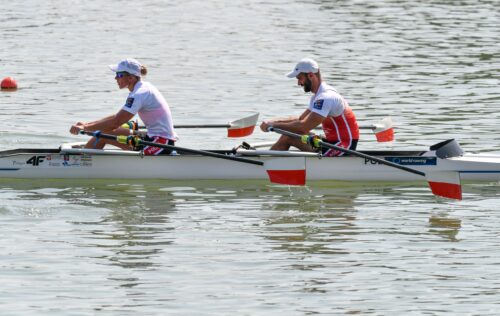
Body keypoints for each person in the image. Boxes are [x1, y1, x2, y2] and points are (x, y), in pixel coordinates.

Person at [70, 58, 177, 155]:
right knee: (104, 131)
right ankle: (85, 160)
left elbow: (115, 123)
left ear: (130, 78)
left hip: (161, 143)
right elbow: (117, 117)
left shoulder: (139, 93)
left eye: (119, 75)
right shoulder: (142, 88)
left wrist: (86, 128)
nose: (116, 78)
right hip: (152, 137)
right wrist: (87, 124)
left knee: (103, 132)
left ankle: (82, 162)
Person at [260, 58, 359, 156]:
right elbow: (300, 119)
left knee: (289, 137)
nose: (298, 83)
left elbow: (303, 127)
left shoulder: (325, 97)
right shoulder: (318, 96)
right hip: (331, 142)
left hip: (343, 146)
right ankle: (267, 163)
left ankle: (263, 166)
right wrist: (272, 122)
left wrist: (274, 125)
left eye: (299, 78)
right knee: (290, 133)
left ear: (310, 75)